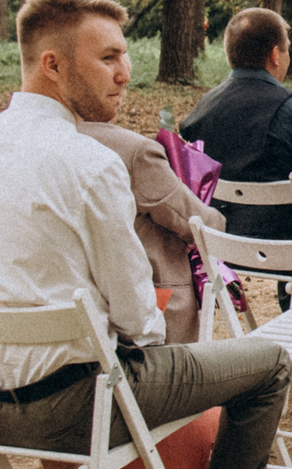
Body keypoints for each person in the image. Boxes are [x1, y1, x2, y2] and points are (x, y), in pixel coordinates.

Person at [0, 0, 292, 469]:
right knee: (270, 364)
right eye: (107, 58)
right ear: (52, 64)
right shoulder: (88, 163)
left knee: (71, 340)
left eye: (124, 56)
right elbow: (138, 322)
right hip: (80, 412)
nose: (125, 74)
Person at [181, 7, 292, 245]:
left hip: (220, 240)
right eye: (287, 49)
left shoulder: (204, 106)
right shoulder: (291, 109)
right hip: (288, 245)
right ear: (275, 55)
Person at [75, 115, 226, 347]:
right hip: (151, 305)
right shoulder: (136, 152)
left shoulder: (46, 140)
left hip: (80, 300)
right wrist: (220, 220)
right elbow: (196, 223)